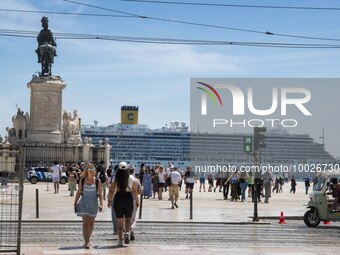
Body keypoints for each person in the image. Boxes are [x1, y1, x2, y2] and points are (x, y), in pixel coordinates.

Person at [107, 162, 139, 247]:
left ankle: (120, 240)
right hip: (128, 198)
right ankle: (127, 232)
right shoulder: (132, 178)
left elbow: (111, 190)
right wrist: (137, 200)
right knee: (128, 219)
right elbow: (135, 191)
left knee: (119, 222)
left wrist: (109, 200)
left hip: (118, 198)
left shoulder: (115, 178)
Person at [73, 163, 103, 249]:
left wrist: (101, 204)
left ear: (94, 170)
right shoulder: (82, 180)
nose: (91, 170)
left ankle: (89, 238)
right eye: (89, 169)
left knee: (91, 223)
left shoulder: (97, 181)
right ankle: (87, 241)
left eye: (92, 168)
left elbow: (100, 194)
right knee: (85, 223)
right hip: (84, 203)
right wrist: (75, 202)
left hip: (93, 203)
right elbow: (79, 192)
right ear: (86, 170)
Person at [128, 165, 141, 241]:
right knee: (133, 217)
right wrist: (138, 200)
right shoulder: (137, 180)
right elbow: (139, 191)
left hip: (125, 199)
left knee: (125, 217)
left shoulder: (125, 179)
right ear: (133, 171)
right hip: (134, 200)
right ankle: (132, 229)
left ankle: (127, 230)